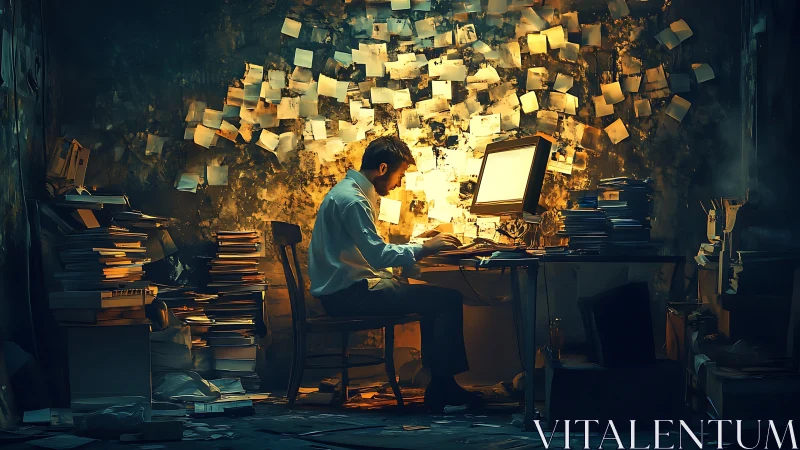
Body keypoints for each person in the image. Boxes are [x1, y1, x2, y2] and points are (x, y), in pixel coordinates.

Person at [308, 136, 480, 411]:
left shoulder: (351, 192)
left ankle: (440, 385)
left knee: (432, 300)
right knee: (446, 300)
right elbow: (377, 255)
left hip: (346, 290)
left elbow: (369, 253)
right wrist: (424, 247)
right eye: (399, 175)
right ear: (384, 169)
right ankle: (443, 388)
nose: (399, 183)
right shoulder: (353, 201)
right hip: (347, 296)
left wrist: (419, 247)